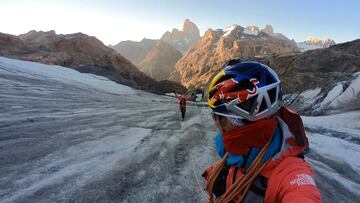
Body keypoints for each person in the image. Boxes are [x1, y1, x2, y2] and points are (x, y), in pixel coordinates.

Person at [202, 60, 322, 203]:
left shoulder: (291, 172)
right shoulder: (244, 148)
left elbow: (303, 195)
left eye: (218, 117)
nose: (216, 122)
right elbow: (238, 160)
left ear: (236, 121)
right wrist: (214, 173)